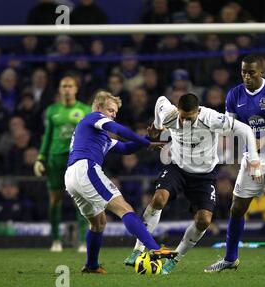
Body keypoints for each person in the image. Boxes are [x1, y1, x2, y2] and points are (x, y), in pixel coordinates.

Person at [124, 93, 262, 274]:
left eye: (189, 118)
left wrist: (254, 160)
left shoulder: (211, 118)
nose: (184, 122)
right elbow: (160, 100)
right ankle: (138, 250)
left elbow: (244, 130)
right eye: (182, 117)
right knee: (158, 199)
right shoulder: (170, 115)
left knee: (204, 220)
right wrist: (158, 125)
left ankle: (175, 258)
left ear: (198, 111)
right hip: (178, 168)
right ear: (178, 111)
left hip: (204, 176)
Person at [204, 55, 265, 275]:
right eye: (244, 72)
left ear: (262, 72)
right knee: (237, 208)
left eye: (252, 73)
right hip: (252, 158)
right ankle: (230, 258)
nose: (247, 77)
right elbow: (228, 127)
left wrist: (261, 141)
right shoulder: (234, 95)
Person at [64, 91, 177, 274]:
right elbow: (119, 130)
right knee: (125, 209)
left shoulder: (100, 135)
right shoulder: (94, 117)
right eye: (111, 110)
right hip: (86, 169)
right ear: (99, 107)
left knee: (98, 222)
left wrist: (148, 139)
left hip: (72, 176)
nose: (113, 116)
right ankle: (154, 248)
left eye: (115, 113)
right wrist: (145, 142)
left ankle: (91, 265)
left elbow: (125, 148)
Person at [34, 77, 91, 252]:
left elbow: (91, 135)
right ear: (60, 89)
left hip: (76, 158)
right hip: (55, 158)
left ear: (76, 89)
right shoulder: (52, 110)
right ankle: (56, 240)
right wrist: (40, 157)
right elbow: (48, 135)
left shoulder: (85, 110)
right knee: (55, 199)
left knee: (79, 199)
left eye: (70, 86)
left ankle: (82, 241)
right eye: (63, 86)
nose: (66, 89)